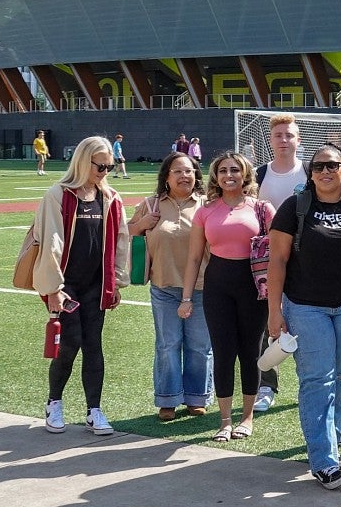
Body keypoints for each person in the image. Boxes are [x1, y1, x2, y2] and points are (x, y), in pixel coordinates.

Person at [266, 143, 341, 490]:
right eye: (318, 167)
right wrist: (275, 312)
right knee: (318, 379)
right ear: (311, 172)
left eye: (332, 165)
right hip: (305, 306)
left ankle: (329, 443)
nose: (325, 172)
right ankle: (325, 461)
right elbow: (277, 261)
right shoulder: (295, 207)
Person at [32, 136, 129, 435]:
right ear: (83, 161)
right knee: (69, 343)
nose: (105, 171)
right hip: (66, 284)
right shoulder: (59, 195)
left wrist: (116, 281)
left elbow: (120, 240)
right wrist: (53, 287)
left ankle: (94, 410)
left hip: (96, 286)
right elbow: (50, 242)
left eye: (109, 166)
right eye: (100, 165)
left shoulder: (110, 197)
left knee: (94, 345)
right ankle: (54, 403)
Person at [180, 152, 273, 442]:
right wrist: (186, 298)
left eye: (235, 170)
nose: (228, 175)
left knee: (250, 353)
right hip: (217, 287)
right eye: (222, 170)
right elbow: (195, 258)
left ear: (245, 175)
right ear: (215, 176)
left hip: (254, 289)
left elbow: (280, 255)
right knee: (222, 353)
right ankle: (224, 420)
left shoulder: (262, 209)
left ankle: (247, 417)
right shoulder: (205, 211)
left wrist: (279, 298)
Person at [130, 153, 213, 421]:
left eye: (189, 171)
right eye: (177, 171)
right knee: (167, 345)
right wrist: (143, 224)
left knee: (199, 346)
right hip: (164, 286)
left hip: (202, 287)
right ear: (166, 177)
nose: (184, 176)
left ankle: (196, 397)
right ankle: (167, 399)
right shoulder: (151, 204)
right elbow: (125, 231)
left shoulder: (207, 204)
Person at [252, 113, 307, 415]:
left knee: (305, 323)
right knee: (266, 324)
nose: (284, 140)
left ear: (299, 139)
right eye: (278, 135)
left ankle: (307, 383)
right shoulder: (259, 175)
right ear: (271, 140)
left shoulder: (311, 172)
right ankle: (266, 386)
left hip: (305, 261)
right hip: (268, 262)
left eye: (289, 135)